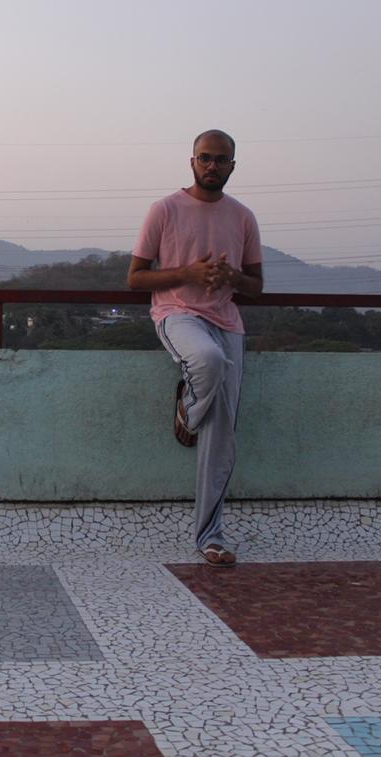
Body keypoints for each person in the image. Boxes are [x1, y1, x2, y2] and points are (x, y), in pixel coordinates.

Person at [127, 129, 263, 566]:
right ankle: (188, 407)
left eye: (221, 160)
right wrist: (187, 272)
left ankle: (211, 536)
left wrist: (231, 279)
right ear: (191, 162)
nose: (212, 166)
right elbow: (135, 278)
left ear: (232, 167)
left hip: (226, 320)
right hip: (177, 313)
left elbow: (256, 286)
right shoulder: (164, 210)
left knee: (222, 436)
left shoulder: (242, 217)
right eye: (204, 158)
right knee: (207, 361)